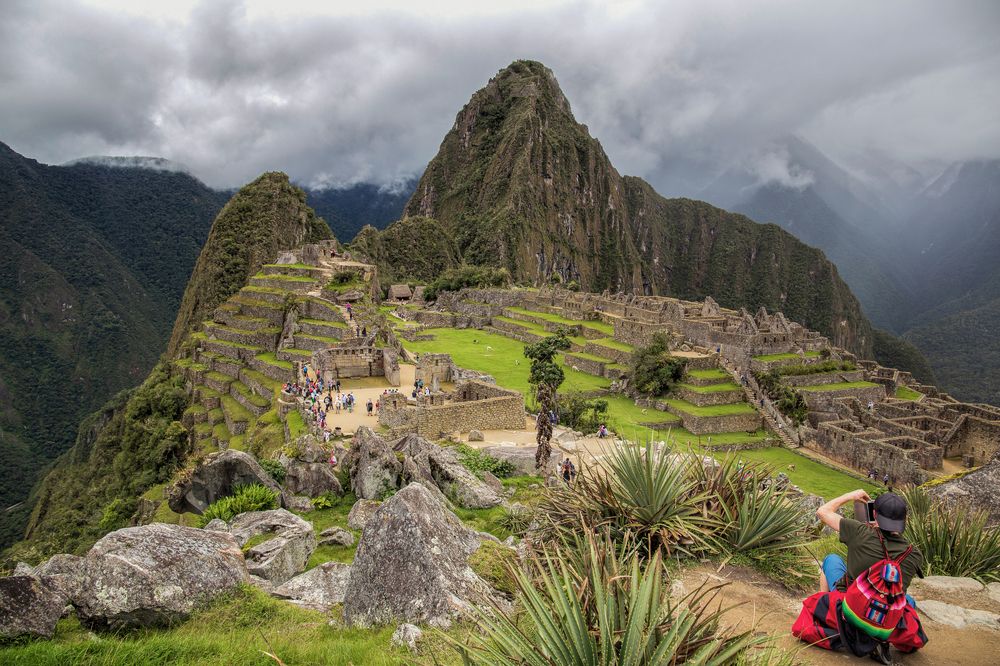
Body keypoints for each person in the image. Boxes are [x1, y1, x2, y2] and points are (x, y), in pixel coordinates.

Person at [816, 490, 922, 610]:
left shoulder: (859, 532)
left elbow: (822, 511)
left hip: (850, 607)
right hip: (885, 612)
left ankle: (824, 607)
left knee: (831, 559)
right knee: (909, 600)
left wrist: (850, 496)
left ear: (874, 514)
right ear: (904, 520)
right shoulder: (914, 554)